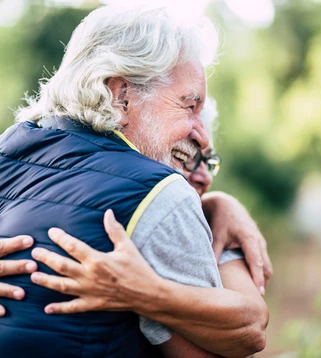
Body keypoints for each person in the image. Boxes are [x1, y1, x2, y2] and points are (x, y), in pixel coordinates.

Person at [0, 6, 269, 357]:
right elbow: (237, 341)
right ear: (121, 95)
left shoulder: (10, 151)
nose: (201, 136)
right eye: (189, 106)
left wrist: (219, 204)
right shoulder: (157, 191)